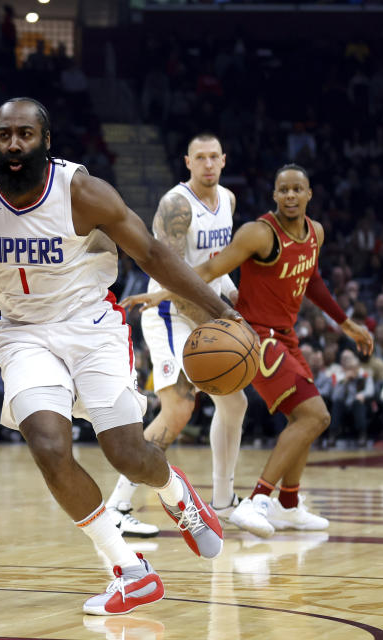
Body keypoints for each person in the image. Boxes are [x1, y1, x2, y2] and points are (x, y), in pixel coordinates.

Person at [0, 98, 235, 617]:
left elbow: (154, 255)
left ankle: (176, 493)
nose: (14, 145)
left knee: (127, 454)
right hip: (23, 333)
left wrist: (218, 311)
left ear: (46, 141)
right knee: (48, 447)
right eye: (5, 135)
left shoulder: (83, 192)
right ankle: (128, 569)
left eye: (25, 134)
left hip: (92, 324)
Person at [123, 164, 373, 537]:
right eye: (283, 190)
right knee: (315, 416)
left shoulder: (315, 233)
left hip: (286, 335)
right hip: (254, 336)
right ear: (274, 195)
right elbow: (208, 269)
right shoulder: (258, 233)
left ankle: (288, 505)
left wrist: (345, 322)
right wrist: (163, 292)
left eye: (297, 190)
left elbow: (312, 278)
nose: (290, 195)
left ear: (309, 195)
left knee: (302, 419)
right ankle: (259, 500)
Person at [104, 133, 254, 538]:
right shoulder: (176, 205)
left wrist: (230, 291)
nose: (207, 164)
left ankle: (223, 501)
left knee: (235, 403)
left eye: (213, 157)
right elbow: (169, 269)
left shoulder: (229, 200)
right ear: (187, 162)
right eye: (199, 157)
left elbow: (213, 262)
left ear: (223, 160)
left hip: (206, 309)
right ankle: (116, 506)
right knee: (177, 411)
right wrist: (219, 316)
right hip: (168, 310)